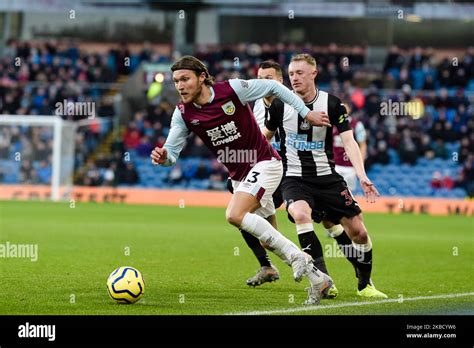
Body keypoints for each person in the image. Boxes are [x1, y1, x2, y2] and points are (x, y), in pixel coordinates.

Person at [150, 55, 333, 304]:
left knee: (234, 215)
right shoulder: (183, 113)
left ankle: (300, 258)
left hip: (265, 162)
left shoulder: (232, 90)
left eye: (185, 79)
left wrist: (305, 113)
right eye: (176, 81)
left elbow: (273, 87)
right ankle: (319, 280)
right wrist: (164, 157)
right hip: (239, 176)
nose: (180, 86)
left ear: (202, 77)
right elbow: (172, 153)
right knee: (268, 241)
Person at [263, 54, 387, 298]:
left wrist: (362, 175)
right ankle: (321, 280)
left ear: (313, 74)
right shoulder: (279, 105)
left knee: (358, 232)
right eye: (291, 74)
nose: (294, 78)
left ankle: (365, 284)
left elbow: (350, 142)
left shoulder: (332, 104)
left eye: (299, 73)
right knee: (300, 214)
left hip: (328, 178)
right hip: (294, 178)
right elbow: (263, 138)